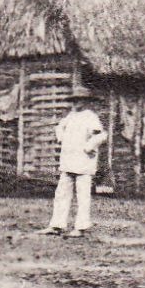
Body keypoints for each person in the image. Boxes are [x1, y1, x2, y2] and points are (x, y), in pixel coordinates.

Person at [44, 87, 107, 238]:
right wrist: (61, 137)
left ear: (86, 102)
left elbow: (101, 135)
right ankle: (57, 225)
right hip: (69, 159)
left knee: (82, 194)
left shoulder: (91, 117)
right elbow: (59, 127)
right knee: (61, 193)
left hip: (84, 161)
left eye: (80, 100)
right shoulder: (70, 116)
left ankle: (81, 227)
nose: (77, 103)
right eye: (74, 100)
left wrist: (89, 147)